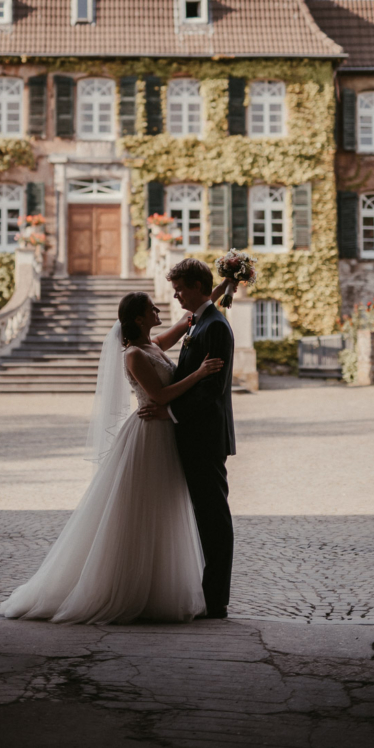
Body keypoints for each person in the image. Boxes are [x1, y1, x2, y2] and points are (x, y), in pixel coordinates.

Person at [0, 280, 230, 625]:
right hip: (149, 434)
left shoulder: (152, 345)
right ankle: (123, 587)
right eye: (151, 307)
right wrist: (198, 373)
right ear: (138, 319)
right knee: (139, 512)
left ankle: (157, 585)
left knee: (164, 511)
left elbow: (190, 319)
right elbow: (161, 397)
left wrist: (224, 284)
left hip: (166, 433)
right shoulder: (134, 355)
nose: (159, 310)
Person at [139, 258, 236, 619]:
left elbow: (212, 389)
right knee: (201, 515)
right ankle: (204, 590)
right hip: (190, 435)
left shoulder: (216, 327)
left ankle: (216, 600)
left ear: (196, 286)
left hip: (205, 436)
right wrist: (225, 284)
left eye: (180, 288)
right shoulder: (198, 320)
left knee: (213, 517)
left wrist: (170, 413)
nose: (175, 295)